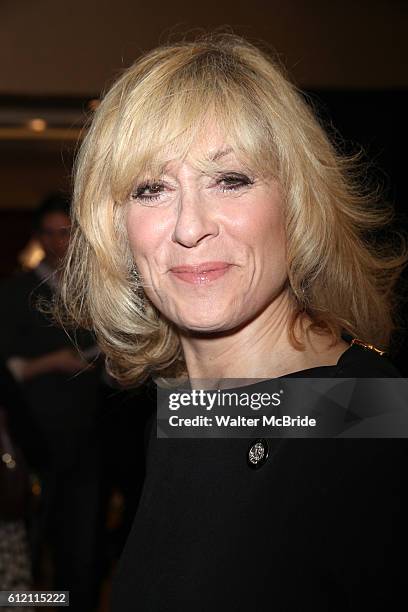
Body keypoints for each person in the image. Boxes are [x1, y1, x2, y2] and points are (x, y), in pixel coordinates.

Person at [55, 32, 408, 610]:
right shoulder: (187, 415)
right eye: (152, 189)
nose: (190, 225)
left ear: (297, 204)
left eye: (231, 180)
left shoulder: (366, 419)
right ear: (116, 230)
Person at [0, 194, 103, 612]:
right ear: (38, 237)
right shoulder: (15, 291)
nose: (60, 243)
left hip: (88, 433)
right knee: (30, 540)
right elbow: (6, 366)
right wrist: (51, 362)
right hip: (32, 436)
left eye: (67, 233)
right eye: (51, 234)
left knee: (82, 545)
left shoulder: (93, 288)